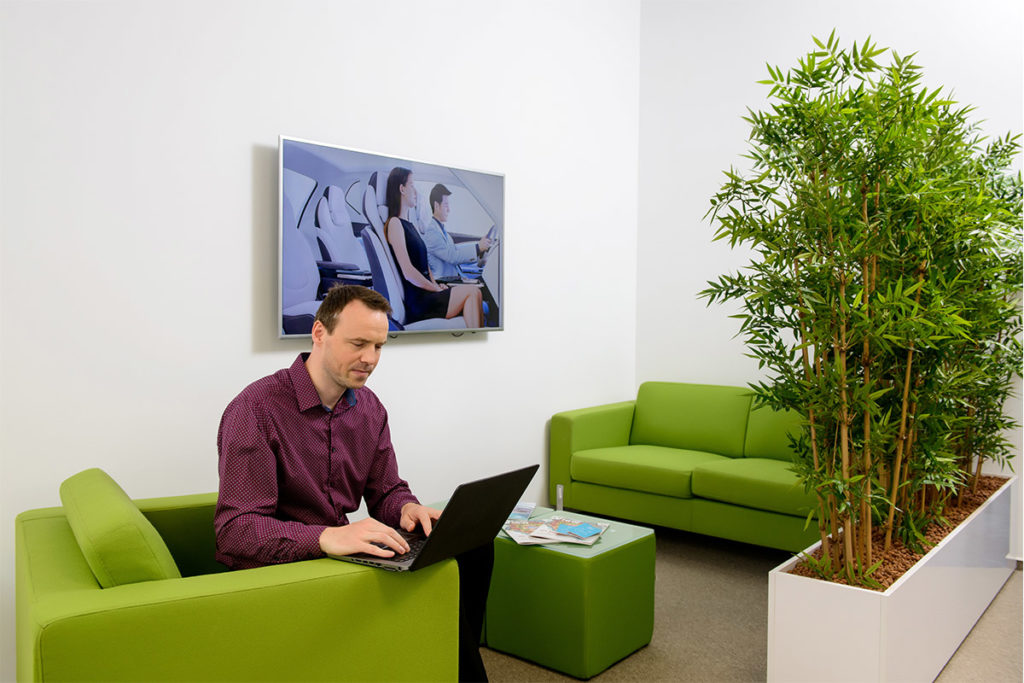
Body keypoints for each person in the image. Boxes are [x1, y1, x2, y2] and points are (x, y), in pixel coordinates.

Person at [214, 284, 493, 681]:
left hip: (339, 559)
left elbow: (387, 491)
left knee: (472, 545)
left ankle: (448, 664)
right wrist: (326, 537)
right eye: (358, 344)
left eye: (378, 346)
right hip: (279, 574)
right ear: (319, 333)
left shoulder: (369, 408)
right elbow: (235, 531)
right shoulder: (255, 409)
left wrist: (407, 508)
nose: (370, 359)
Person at [382, 167, 484, 327]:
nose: (415, 191)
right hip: (419, 300)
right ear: (402, 189)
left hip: (428, 292)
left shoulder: (411, 225)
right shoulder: (395, 224)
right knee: (472, 292)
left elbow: (425, 266)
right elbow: (408, 272)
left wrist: (436, 285)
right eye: (412, 185)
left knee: (476, 293)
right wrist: (434, 289)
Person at [422, 183, 492, 281]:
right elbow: (452, 256)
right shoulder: (432, 233)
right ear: (436, 205)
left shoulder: (441, 230)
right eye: (446, 205)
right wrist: (477, 248)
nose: (449, 210)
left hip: (453, 277)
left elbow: (456, 251)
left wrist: (479, 251)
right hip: (443, 281)